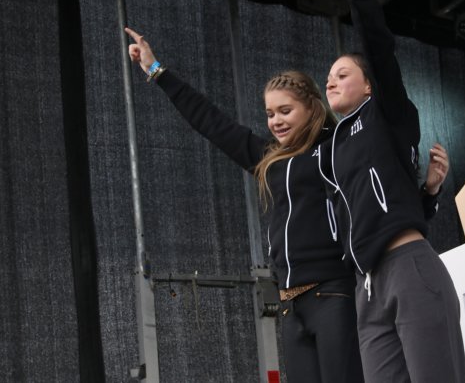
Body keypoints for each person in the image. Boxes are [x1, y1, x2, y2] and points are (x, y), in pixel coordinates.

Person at [124, 28, 364, 383]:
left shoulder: (336, 148)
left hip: (333, 293)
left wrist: (429, 194)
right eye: (269, 114)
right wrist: (156, 70)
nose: (276, 121)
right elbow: (211, 122)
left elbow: (379, 187)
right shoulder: (270, 157)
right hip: (291, 303)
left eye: (285, 111)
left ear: (312, 107)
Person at [318, 0, 465, 381]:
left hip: (408, 267)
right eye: (328, 77)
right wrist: (428, 194)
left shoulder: (386, 113)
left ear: (369, 85)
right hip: (366, 288)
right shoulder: (331, 151)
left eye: (342, 74)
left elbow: (378, 48)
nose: (330, 81)